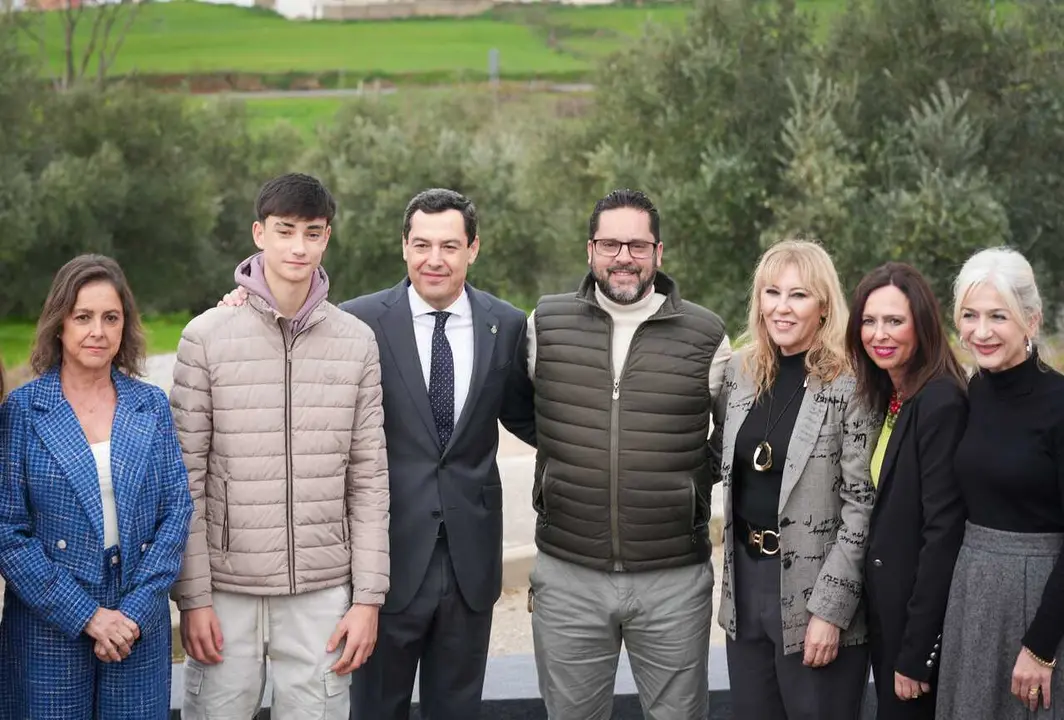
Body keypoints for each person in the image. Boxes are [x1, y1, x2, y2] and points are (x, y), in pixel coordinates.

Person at [221, 187, 536, 719]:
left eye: (449, 246)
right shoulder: (357, 320)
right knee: (372, 710)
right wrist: (243, 304)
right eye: (421, 244)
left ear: (473, 249)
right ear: (404, 246)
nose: (434, 260)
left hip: (471, 566)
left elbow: (531, 420)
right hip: (383, 565)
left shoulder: (504, 325)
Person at [170, 173, 390, 720]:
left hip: (320, 592)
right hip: (227, 590)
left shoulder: (357, 342)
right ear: (258, 233)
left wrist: (367, 600)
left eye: (311, 233)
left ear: (326, 238)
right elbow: (185, 481)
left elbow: (367, 481)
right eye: (284, 230)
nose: (297, 246)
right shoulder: (205, 337)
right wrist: (193, 599)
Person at [526, 189, 731, 720]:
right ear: (589, 250)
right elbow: (528, 415)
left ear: (659, 254)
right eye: (611, 244)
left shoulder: (707, 336)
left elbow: (733, 436)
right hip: (568, 573)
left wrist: (687, 481)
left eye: (637, 245)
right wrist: (563, 465)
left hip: (673, 580)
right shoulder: (544, 325)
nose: (624, 257)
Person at [0, 254, 193, 719]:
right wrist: (86, 615)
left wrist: (133, 611)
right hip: (50, 623)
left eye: (111, 318)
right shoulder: (25, 410)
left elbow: (176, 512)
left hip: (135, 624)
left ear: (125, 325)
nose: (97, 332)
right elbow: (9, 531)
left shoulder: (149, 405)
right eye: (82, 317)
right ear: (59, 324)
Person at [716, 238, 877, 720]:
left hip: (818, 591)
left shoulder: (853, 383)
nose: (780, 308)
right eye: (771, 292)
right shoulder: (742, 373)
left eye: (799, 295)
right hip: (745, 587)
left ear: (824, 307)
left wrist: (831, 609)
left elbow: (861, 507)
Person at [936, 247, 1064, 719]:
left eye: (998, 316)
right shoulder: (973, 391)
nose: (981, 331)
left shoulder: (1059, 405)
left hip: (1040, 605)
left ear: (1031, 321)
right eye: (969, 315)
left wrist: (1040, 647)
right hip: (971, 594)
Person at [846, 262, 968, 719]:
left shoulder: (940, 401)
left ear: (922, 324)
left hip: (915, 628)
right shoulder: (893, 394)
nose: (880, 333)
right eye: (870, 321)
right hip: (887, 612)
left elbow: (942, 535)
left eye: (894, 321)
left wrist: (917, 652)